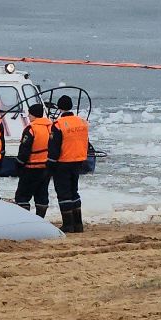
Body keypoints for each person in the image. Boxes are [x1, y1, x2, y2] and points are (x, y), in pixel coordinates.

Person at [49, 95, 91, 234]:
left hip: (63, 162)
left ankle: (68, 224)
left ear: (59, 108)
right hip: (79, 161)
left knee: (64, 193)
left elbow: (54, 147)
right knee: (74, 192)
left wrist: (50, 163)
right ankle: (78, 224)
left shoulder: (58, 125)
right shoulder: (82, 122)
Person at [13, 102, 56, 217]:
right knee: (42, 194)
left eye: (29, 115)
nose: (29, 117)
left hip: (32, 167)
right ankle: (40, 219)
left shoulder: (31, 129)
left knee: (22, 195)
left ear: (33, 115)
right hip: (47, 167)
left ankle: (24, 219)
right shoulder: (51, 127)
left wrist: (19, 165)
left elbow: (24, 150)